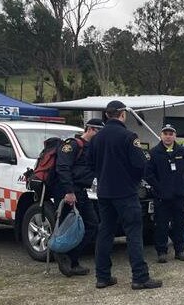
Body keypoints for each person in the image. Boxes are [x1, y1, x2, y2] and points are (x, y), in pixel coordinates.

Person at [87, 100, 162, 290]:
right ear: (122, 114)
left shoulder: (96, 138)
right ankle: (140, 277)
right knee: (134, 233)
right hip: (126, 193)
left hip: (104, 192)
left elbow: (90, 165)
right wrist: (133, 181)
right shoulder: (129, 136)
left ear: (106, 115)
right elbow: (140, 165)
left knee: (105, 233)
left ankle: (102, 277)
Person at [53, 118, 104, 277]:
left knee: (92, 224)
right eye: (97, 131)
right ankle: (63, 256)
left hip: (81, 191)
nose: (99, 135)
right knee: (66, 226)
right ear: (89, 129)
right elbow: (62, 167)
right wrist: (69, 191)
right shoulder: (72, 144)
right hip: (68, 191)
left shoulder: (92, 148)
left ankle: (72, 258)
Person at [146, 124, 184, 263]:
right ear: (161, 135)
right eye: (165, 133)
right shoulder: (154, 152)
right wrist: (158, 188)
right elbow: (148, 174)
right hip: (162, 197)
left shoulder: (183, 151)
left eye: (170, 134)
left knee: (180, 224)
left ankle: (180, 250)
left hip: (179, 196)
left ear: (175, 136)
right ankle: (161, 251)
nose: (168, 136)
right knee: (161, 225)